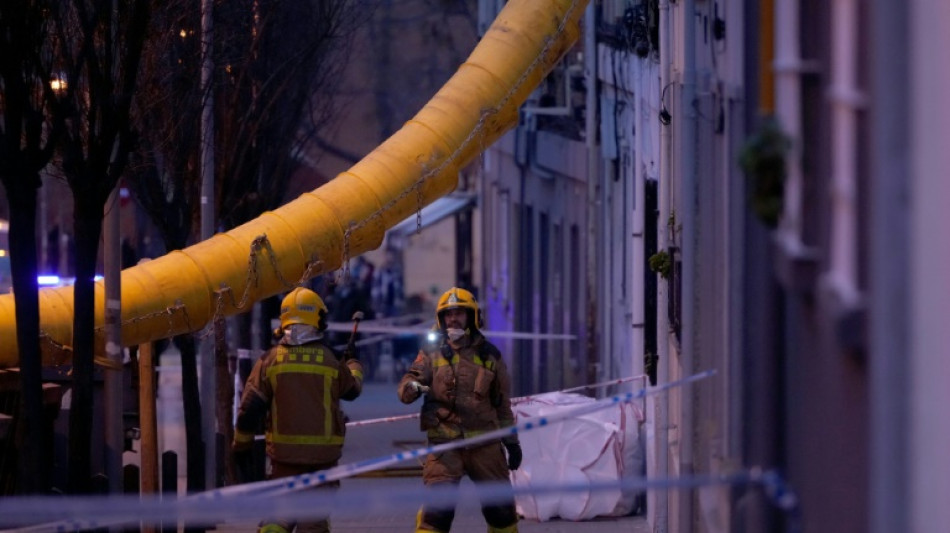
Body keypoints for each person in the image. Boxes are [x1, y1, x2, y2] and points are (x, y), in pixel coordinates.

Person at [233, 287, 364, 533]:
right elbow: (353, 390)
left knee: (277, 518)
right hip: (322, 462)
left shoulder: (269, 361)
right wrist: (354, 364)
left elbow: (249, 408)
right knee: (313, 521)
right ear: (318, 319)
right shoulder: (330, 361)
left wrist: (241, 447)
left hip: (284, 460)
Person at [398, 287, 522, 533]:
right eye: (448, 314)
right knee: (438, 513)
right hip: (445, 446)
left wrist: (512, 443)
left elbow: (502, 406)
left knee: (502, 513)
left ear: (472, 316)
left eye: (459, 313)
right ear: (441, 319)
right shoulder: (431, 353)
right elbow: (408, 384)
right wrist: (411, 388)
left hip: (485, 445)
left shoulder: (490, 356)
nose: (453, 318)